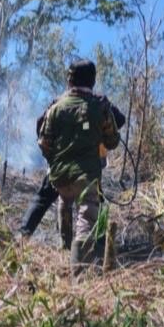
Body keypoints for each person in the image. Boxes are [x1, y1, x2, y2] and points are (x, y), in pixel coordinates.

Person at [38, 59, 121, 275]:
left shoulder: (55, 107)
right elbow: (112, 141)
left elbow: (44, 142)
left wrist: (56, 160)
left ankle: (64, 249)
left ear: (69, 79)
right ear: (92, 80)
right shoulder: (100, 105)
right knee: (86, 215)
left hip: (60, 177)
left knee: (64, 203)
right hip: (87, 177)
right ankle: (79, 271)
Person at [19, 104, 126, 250]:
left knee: (45, 198)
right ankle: (97, 246)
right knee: (97, 203)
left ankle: (24, 237)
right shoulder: (98, 104)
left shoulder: (60, 103)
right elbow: (119, 121)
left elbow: (41, 128)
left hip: (61, 167)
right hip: (87, 169)